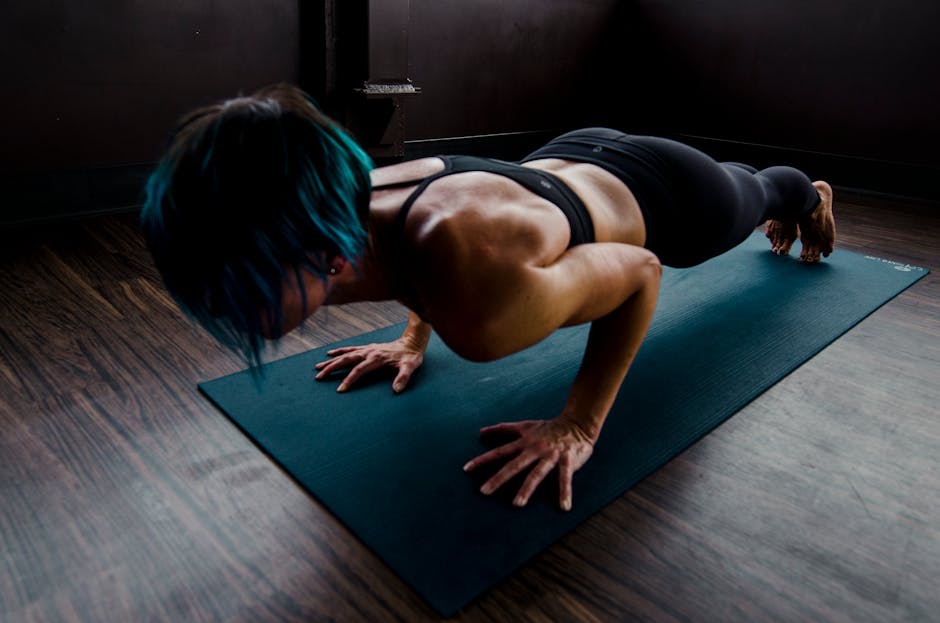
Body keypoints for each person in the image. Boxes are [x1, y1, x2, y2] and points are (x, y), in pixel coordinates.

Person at [141, 83, 835, 512]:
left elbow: (641, 273)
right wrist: (411, 338)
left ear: (329, 257)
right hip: (574, 156)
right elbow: (417, 251)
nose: (220, 306)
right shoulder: (353, 204)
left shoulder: (478, 306)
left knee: (764, 191)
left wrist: (579, 423)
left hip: (675, 199)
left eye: (241, 286)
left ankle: (816, 195)